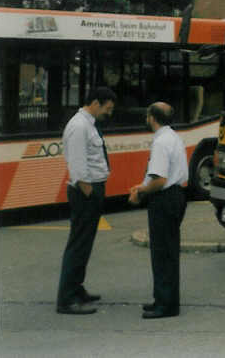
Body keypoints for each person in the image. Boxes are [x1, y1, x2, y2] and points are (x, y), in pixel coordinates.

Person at [56, 87, 116, 315]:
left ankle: (76, 289)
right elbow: (78, 168)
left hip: (91, 190)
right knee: (78, 245)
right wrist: (90, 194)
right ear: (95, 103)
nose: (109, 113)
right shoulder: (79, 126)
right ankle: (67, 299)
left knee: (84, 244)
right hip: (85, 192)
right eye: (107, 108)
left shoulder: (88, 124)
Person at [128, 102, 188, 319]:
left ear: (152, 118)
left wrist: (140, 191)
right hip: (176, 196)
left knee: (162, 253)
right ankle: (163, 299)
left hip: (164, 199)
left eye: (147, 115)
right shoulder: (173, 137)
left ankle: (166, 305)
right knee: (168, 251)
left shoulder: (161, 142)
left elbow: (159, 180)